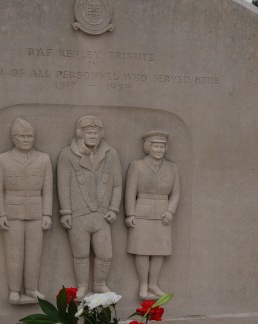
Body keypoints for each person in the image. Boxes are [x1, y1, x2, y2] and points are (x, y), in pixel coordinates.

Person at [57, 115, 122, 301]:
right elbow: (63, 185)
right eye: (88, 133)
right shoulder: (67, 154)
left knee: (105, 254)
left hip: (102, 215)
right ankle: (83, 286)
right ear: (80, 134)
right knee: (81, 254)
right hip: (78, 215)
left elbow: (117, 185)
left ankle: (100, 283)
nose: (92, 136)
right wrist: (65, 212)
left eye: (95, 132)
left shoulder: (111, 154)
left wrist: (114, 208)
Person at [0, 118, 52, 305]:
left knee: (34, 253)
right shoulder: (3, 159)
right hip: (12, 212)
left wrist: (47, 214)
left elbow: (48, 189)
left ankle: (32, 289)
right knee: (14, 253)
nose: (27, 139)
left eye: (30, 136)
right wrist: (1, 214)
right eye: (22, 136)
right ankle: (14, 290)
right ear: (13, 138)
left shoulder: (44, 159)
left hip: (35, 211)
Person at [125, 131, 180, 300]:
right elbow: (130, 191)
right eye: (156, 146)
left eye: (162, 146)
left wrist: (170, 211)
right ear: (148, 147)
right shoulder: (137, 165)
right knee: (142, 250)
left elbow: (176, 193)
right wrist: (130, 214)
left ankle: (153, 284)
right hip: (142, 212)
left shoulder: (172, 167)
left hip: (163, 214)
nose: (159, 149)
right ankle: (143, 284)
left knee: (159, 251)